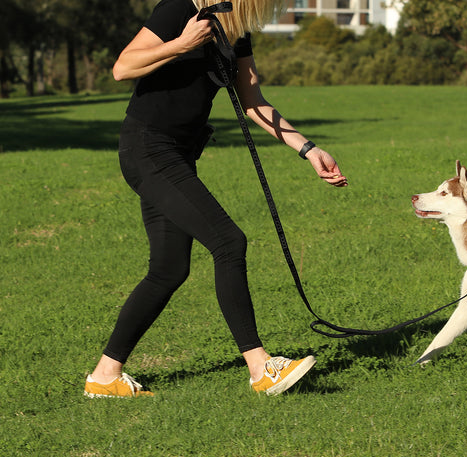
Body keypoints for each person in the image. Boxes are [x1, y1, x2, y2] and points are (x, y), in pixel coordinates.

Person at [84, 0, 347, 398]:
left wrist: (308, 150)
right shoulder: (177, 10)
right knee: (228, 241)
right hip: (148, 148)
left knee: (168, 269)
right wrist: (181, 43)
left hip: (178, 154)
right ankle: (261, 369)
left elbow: (254, 101)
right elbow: (123, 67)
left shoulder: (235, 29)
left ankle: (104, 377)